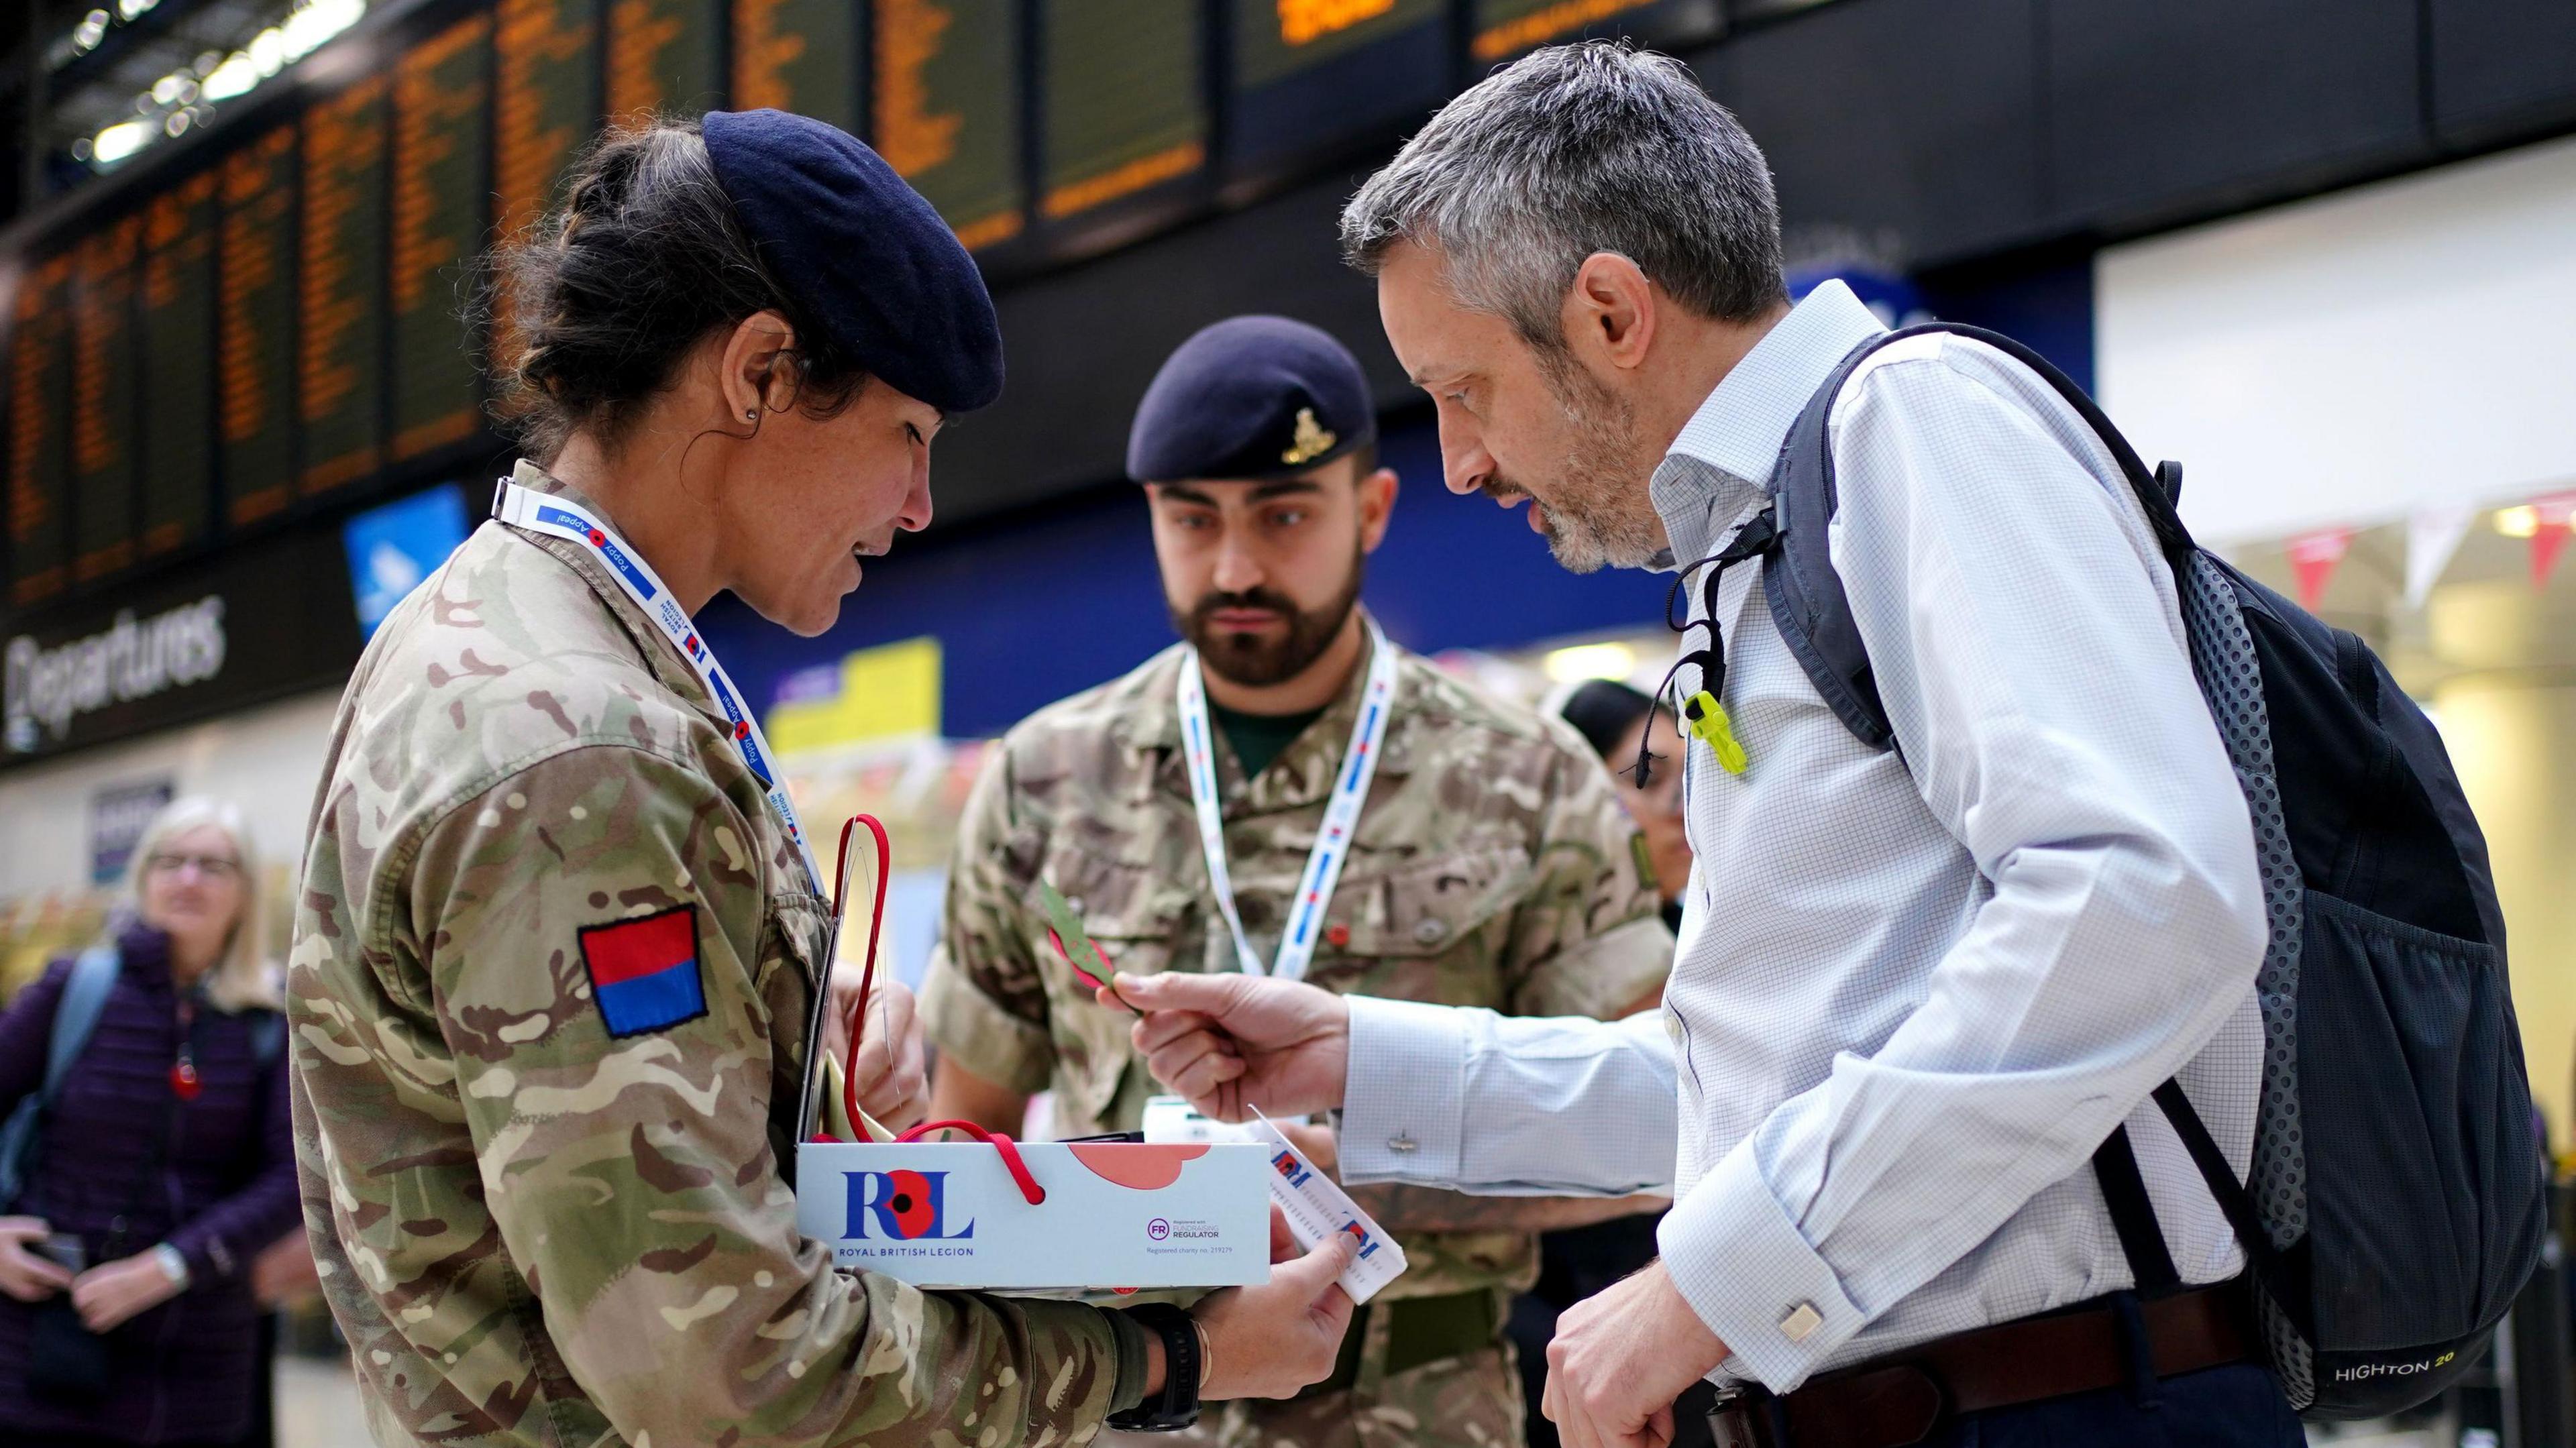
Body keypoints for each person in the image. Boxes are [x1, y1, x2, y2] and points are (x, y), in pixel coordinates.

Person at [1104, 42, 2300, 1448]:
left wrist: (1711, 1283)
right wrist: (1367, 1060)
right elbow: (1746, 1087)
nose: (1461, 463)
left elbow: (2146, 899)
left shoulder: (1913, 424)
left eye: (1466, 388)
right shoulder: (1770, 537)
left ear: (1610, 311)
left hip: (2053, 1406)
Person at [287, 113, 1356, 1448]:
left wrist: (793, 1066)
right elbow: (728, 1368)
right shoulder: (580, 745)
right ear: (761, 373)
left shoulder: (500, 633)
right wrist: (1173, 1354)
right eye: (906, 433)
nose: (917, 504)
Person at [919, 315, 1676, 1448]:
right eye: (1193, 519)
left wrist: (1378, 1174)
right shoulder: (1043, 778)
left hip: (1422, 1408)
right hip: (1130, 1402)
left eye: (1282, 517)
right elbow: (964, 1132)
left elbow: (1654, 1144)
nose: (1234, 568)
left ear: (1369, 509)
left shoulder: (1523, 778)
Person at [0, 796, 301, 1447]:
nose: (188, 877)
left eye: (213, 865)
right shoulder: (75, 987)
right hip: (43, 1348)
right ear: (144, 876)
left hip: (199, 1364)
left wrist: (168, 1267)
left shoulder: (268, 1020)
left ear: (246, 891)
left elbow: (291, 1176)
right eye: (172, 860)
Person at [1550, 681, 1689, 934]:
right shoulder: (1539, 953)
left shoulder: (1700, 938)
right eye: (1649, 778)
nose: (1684, 809)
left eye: (1688, 776)